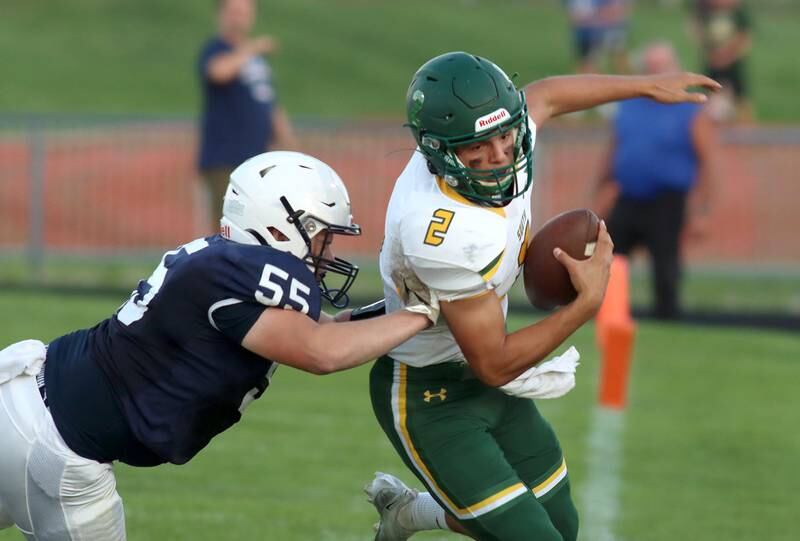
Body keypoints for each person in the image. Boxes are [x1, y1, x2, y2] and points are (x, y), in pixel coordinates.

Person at [362, 52, 719, 540]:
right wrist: (586, 305)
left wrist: (645, 86)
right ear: (437, 150)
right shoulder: (440, 229)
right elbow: (493, 362)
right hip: (428, 395)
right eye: (476, 148)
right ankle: (413, 514)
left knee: (560, 526)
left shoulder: (505, 134)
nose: (498, 156)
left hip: (483, 381)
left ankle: (407, 514)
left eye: (504, 136)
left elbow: (546, 95)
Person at [0, 151, 437, 540]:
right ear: (283, 226)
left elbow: (332, 328)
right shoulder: (240, 274)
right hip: (59, 445)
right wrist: (426, 313)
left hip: (22, 402)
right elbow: (321, 351)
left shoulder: (222, 263)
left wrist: (403, 310)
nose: (328, 252)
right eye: (323, 236)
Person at [591, 42, 717, 320]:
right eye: (650, 68)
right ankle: (602, 314)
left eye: (661, 68)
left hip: (667, 200)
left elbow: (708, 163)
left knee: (665, 266)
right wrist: (599, 193)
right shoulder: (629, 106)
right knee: (607, 257)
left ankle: (667, 318)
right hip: (629, 195)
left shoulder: (690, 109)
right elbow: (613, 151)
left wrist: (702, 211)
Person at [197, 0, 298, 232]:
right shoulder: (216, 49)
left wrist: (289, 145)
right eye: (234, 12)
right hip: (224, 157)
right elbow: (218, 72)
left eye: (244, 12)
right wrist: (251, 48)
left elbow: (269, 104)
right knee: (225, 230)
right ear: (221, 15)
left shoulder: (257, 62)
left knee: (256, 228)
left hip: (257, 159)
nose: (239, 18)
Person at [689, 0, 753, 121]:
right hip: (712, 63)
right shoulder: (705, 11)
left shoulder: (738, 13)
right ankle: (706, 130)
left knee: (741, 102)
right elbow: (696, 30)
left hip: (733, 65)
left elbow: (745, 39)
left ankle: (748, 134)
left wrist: (727, 56)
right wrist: (710, 52)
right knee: (705, 100)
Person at [565, 0, 631, 75]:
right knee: (588, 63)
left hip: (610, 29)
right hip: (588, 31)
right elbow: (575, 16)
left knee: (618, 59)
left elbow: (618, 10)